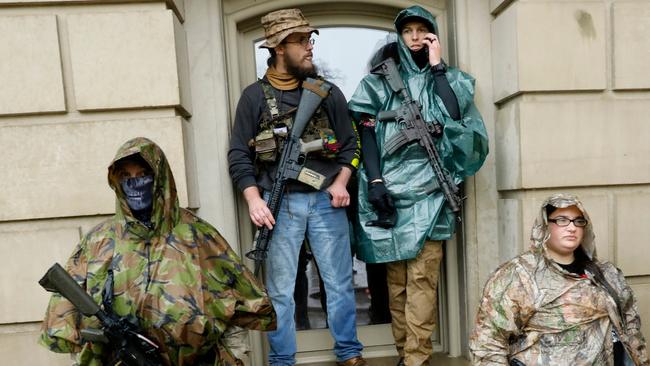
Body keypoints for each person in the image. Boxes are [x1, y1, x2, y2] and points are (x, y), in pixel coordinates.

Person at [39, 137, 276, 365]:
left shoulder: (196, 235)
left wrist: (236, 355)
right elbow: (67, 314)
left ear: (159, 179)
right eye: (126, 176)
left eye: (143, 175)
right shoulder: (99, 242)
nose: (135, 183)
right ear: (116, 181)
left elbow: (240, 303)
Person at [348, 5, 489, 366]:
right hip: (390, 194)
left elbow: (455, 115)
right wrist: (376, 181)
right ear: (399, 35)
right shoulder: (379, 82)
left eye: (420, 30)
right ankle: (404, 354)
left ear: (431, 35)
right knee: (397, 286)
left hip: (431, 194)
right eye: (407, 31)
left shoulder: (448, 77)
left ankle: (416, 359)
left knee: (422, 282)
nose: (414, 37)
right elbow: (366, 133)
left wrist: (438, 65)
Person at [227, 8, 366, 366]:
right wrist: (253, 198)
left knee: (338, 284)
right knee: (280, 292)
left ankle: (350, 353)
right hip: (279, 206)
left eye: (309, 39)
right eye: (301, 41)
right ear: (278, 48)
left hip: (324, 201)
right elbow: (238, 155)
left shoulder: (326, 92)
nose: (309, 47)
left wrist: (341, 182)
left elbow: (351, 145)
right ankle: (282, 360)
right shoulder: (254, 98)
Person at [469, 193, 649, 366]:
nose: (572, 227)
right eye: (562, 220)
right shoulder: (517, 276)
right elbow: (488, 344)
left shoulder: (607, 274)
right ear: (545, 225)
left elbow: (631, 330)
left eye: (579, 221)